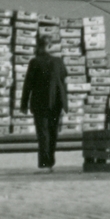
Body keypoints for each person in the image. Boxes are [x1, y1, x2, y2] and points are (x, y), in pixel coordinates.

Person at [20, 35, 68, 171]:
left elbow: (28, 85)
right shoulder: (58, 61)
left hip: (39, 102)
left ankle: (45, 163)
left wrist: (24, 104)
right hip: (56, 102)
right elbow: (63, 82)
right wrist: (65, 104)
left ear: (38, 45)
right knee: (53, 132)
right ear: (50, 46)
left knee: (43, 133)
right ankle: (50, 162)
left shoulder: (34, 62)